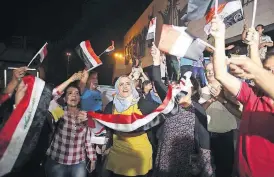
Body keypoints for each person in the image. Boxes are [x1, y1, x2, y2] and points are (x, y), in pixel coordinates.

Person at [211, 15, 274, 177]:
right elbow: (220, 74)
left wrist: (253, 67)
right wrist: (219, 37)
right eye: (268, 69)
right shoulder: (254, 95)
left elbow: (259, 74)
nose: (269, 73)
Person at [151, 43, 214, 177]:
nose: (182, 86)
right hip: (166, 156)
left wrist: (206, 168)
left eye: (186, 84)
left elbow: (204, 139)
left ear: (193, 89)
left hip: (187, 159)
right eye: (180, 84)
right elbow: (157, 81)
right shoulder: (170, 103)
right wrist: (156, 60)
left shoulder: (197, 108)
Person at [103, 75, 164, 177]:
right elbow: (105, 125)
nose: (125, 87)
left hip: (140, 155)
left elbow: (161, 112)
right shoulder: (111, 106)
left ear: (132, 87)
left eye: (128, 84)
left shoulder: (142, 103)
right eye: (121, 84)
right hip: (119, 155)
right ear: (117, 88)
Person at [45, 72, 96, 177]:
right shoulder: (59, 111)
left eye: (77, 93)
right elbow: (52, 95)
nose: (74, 95)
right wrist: (71, 79)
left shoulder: (84, 115)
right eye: (70, 93)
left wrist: (92, 159)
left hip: (78, 163)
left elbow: (88, 140)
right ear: (64, 98)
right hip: (57, 161)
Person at [200, 62, 240, 177]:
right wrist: (211, 100)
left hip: (226, 134)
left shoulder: (228, 89)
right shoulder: (202, 90)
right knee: (210, 167)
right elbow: (199, 111)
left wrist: (222, 97)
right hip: (209, 134)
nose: (210, 72)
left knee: (226, 167)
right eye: (207, 71)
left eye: (212, 69)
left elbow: (238, 108)